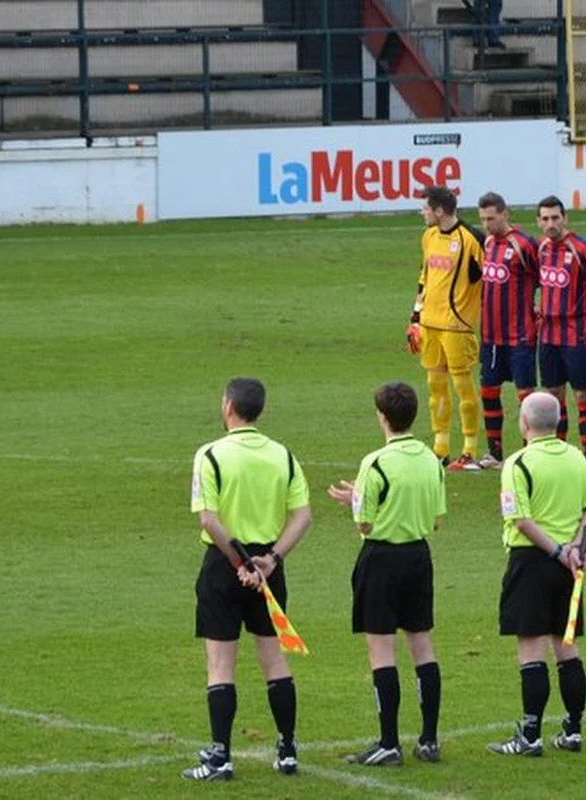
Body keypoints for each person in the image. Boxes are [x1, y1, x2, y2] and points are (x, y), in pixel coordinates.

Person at [183, 378, 313, 781]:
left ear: (227, 406)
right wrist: (270, 560)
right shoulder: (283, 456)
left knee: (221, 664)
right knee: (274, 658)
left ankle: (220, 756)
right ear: (260, 410)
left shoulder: (210, 455)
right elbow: (303, 516)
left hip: (225, 567)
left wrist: (239, 562)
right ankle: (288, 750)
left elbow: (209, 518)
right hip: (268, 568)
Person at [328, 381, 447, 766]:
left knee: (381, 650)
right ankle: (429, 740)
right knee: (423, 647)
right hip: (418, 557)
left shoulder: (374, 463)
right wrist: (363, 497)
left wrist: (356, 503)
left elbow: (364, 524)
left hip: (381, 560)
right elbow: (437, 518)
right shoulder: (431, 459)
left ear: (382, 415)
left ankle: (389, 743)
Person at [488, 392, 586, 757]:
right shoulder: (579, 460)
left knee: (531, 648)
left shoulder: (517, 464)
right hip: (571, 564)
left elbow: (520, 520)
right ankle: (573, 730)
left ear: (524, 424)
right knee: (566, 645)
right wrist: (576, 549)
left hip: (532, 562)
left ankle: (531, 735)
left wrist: (556, 550)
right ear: (558, 422)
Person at [409, 185, 486, 470]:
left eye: (425, 208)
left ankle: (469, 450)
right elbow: (424, 278)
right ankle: (440, 449)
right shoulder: (428, 236)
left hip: (457, 326)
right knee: (435, 387)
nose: (422, 213)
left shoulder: (471, 238)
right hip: (430, 324)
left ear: (439, 210)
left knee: (463, 386)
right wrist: (415, 317)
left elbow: (489, 278)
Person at [534, 195, 586, 462]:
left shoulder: (582, 249)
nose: (551, 223)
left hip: (577, 335)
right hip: (548, 336)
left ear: (565, 218)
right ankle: (558, 452)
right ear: (539, 221)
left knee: (582, 393)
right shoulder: (541, 249)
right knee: (553, 395)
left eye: (555, 218)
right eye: (546, 219)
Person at [477, 191, 541, 469]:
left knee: (525, 395)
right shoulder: (489, 242)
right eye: (483, 219)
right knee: (489, 391)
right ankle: (495, 453)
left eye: (491, 218)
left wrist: (534, 310)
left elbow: (542, 279)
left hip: (520, 334)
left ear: (505, 214)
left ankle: (529, 453)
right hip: (491, 335)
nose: (487, 224)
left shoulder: (524, 244)